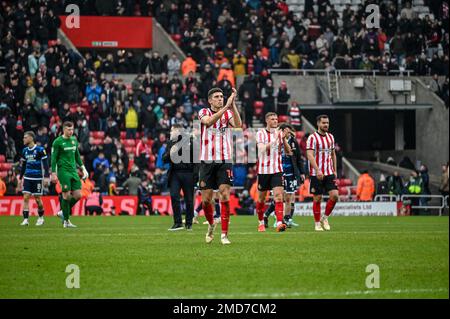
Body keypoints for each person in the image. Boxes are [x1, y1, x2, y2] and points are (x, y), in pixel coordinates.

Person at [198, 87, 242, 245]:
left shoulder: (228, 112)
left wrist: (233, 105)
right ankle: (211, 225)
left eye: (222, 96)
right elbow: (208, 122)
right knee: (206, 200)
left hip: (225, 160)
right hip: (207, 161)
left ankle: (224, 235)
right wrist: (225, 107)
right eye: (216, 97)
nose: (220, 98)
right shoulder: (203, 112)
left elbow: (238, 125)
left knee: (224, 194)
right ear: (210, 100)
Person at [263, 123, 305, 228]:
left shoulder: (294, 141)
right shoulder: (275, 141)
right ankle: (276, 218)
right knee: (280, 197)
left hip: (291, 173)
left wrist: (302, 172)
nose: (288, 132)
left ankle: (286, 219)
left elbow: (298, 157)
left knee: (289, 197)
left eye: (289, 130)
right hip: (278, 172)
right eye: (286, 130)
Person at [255, 112, 291, 233]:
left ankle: (280, 223)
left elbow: (288, 152)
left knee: (279, 196)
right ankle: (260, 222)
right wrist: (276, 139)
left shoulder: (280, 134)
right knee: (261, 199)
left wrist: (284, 139)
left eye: (276, 119)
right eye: (272, 119)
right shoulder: (260, 133)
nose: (275, 121)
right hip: (264, 170)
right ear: (267, 121)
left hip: (277, 170)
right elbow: (261, 149)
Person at [51, 121, 89, 228]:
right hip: (63, 171)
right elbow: (53, 158)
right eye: (68, 129)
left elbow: (77, 155)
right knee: (66, 196)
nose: (71, 131)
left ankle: (63, 212)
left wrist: (83, 168)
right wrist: (53, 173)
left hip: (73, 171)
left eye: (72, 129)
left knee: (78, 195)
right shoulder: (57, 142)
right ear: (63, 129)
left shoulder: (74, 140)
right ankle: (66, 221)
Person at [306, 115, 339, 231]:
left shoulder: (331, 137)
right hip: (316, 173)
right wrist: (317, 170)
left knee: (335, 196)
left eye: (327, 123)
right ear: (318, 124)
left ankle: (324, 218)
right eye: (324, 123)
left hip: (329, 171)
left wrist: (335, 170)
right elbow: (309, 155)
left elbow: (333, 154)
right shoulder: (312, 138)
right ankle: (317, 223)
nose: (326, 125)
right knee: (317, 198)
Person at [163, 124, 196, 231]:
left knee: (189, 200)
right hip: (175, 173)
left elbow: (196, 160)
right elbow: (164, 159)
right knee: (174, 196)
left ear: (178, 131)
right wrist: (170, 152)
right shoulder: (170, 143)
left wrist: (196, 176)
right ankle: (177, 223)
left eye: (172, 131)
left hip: (188, 173)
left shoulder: (190, 141)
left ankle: (189, 223)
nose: (170, 133)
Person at [18, 131, 50, 226]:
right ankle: (25, 219)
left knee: (38, 200)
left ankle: (40, 218)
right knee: (26, 197)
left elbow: (46, 165)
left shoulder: (40, 150)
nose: (23, 139)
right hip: (27, 178)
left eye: (25, 137)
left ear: (31, 138)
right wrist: (20, 178)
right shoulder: (24, 151)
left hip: (37, 178)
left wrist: (47, 177)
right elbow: (23, 165)